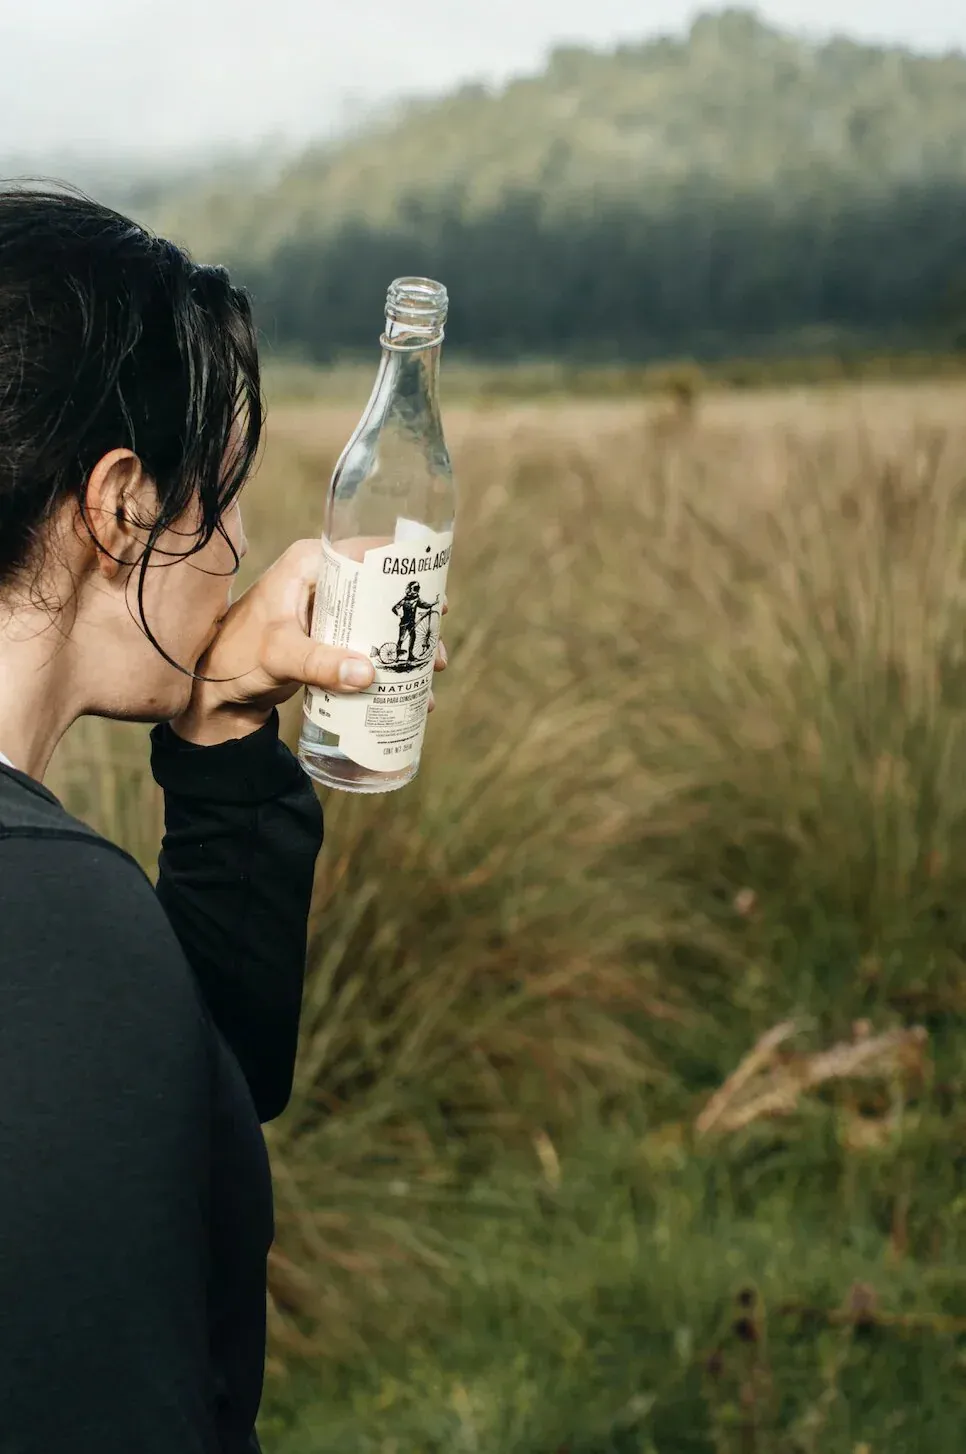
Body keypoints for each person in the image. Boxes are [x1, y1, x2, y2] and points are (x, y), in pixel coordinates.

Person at [0, 187, 446, 1453]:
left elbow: (190, 1086)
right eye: (224, 497)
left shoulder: (70, 935)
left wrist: (221, 736)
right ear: (120, 502)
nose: (242, 546)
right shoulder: (64, 918)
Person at [393, 579, 438, 664]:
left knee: (413, 638)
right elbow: (395, 608)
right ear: (410, 589)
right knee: (401, 638)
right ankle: (397, 656)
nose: (417, 590)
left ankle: (410, 656)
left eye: (418, 588)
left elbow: (424, 605)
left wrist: (432, 604)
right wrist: (399, 614)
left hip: (411, 622)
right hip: (404, 622)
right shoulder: (405, 599)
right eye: (415, 588)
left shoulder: (417, 599)